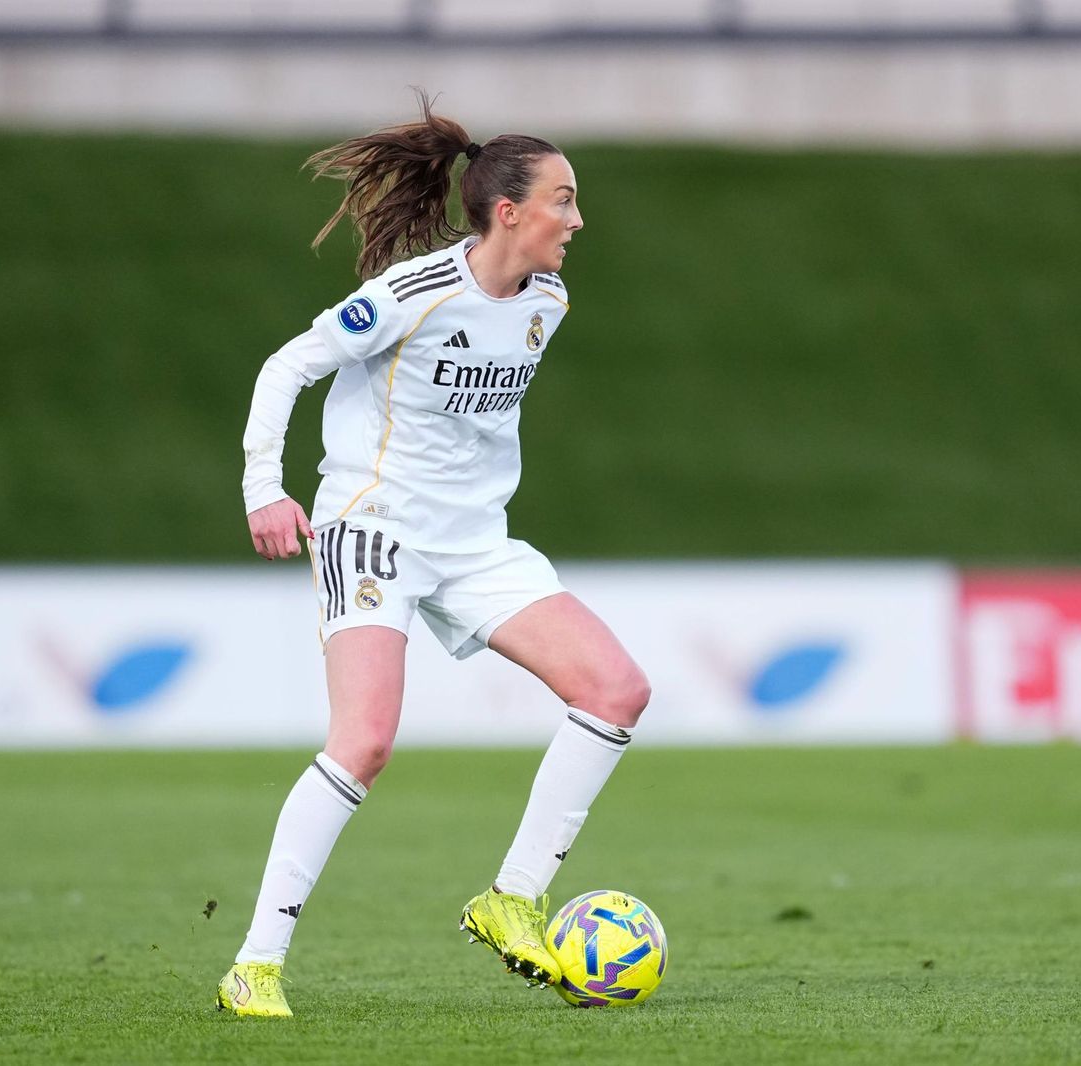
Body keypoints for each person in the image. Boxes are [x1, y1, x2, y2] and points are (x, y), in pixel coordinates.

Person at [215, 97, 650, 1019]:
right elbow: (288, 365)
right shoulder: (411, 296)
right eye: (564, 200)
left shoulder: (548, 303)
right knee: (364, 743)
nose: (578, 220)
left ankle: (512, 899)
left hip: (476, 543)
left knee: (617, 691)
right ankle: (255, 964)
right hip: (375, 527)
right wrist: (264, 487)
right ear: (510, 212)